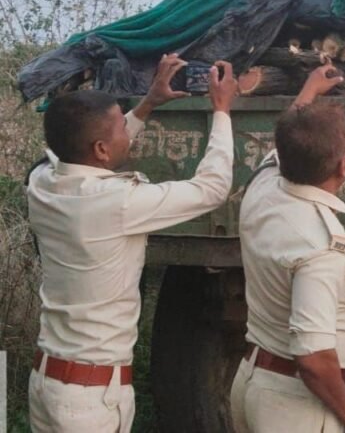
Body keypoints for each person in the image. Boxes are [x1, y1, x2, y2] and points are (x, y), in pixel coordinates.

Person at [26, 54, 237, 432]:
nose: (127, 131)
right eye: (120, 128)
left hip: (50, 382)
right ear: (102, 150)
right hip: (90, 401)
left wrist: (148, 103)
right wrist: (221, 112)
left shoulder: (41, 182)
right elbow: (212, 189)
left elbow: (92, 152)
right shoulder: (117, 203)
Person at [230, 65, 345, 433]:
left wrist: (309, 91)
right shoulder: (320, 248)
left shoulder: (262, 189)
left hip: (255, 382)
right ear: (344, 168)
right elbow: (312, 359)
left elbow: (284, 144)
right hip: (295, 405)